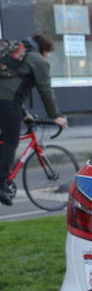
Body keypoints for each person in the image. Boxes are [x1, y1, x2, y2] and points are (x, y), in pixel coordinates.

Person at [0, 33, 67, 206]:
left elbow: (10, 86)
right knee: (9, 141)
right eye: (49, 53)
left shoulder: (18, 57)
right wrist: (56, 116)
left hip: (7, 102)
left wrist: (23, 114)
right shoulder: (38, 60)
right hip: (7, 104)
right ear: (44, 49)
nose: (49, 57)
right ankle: (1, 185)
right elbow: (45, 90)